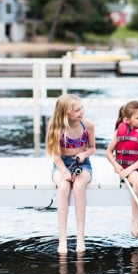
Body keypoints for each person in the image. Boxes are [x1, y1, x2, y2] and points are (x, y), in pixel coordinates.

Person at [46, 94, 95, 254]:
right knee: (63, 187)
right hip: (62, 164)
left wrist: (84, 154)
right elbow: (55, 155)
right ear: (66, 113)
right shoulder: (57, 129)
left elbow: (92, 148)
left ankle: (80, 237)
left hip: (83, 164)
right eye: (76, 110)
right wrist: (65, 171)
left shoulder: (88, 126)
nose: (81, 112)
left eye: (81, 108)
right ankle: (62, 239)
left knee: (79, 186)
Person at [105, 100, 138, 238]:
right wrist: (117, 166)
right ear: (127, 120)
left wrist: (129, 170)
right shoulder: (119, 131)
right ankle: (135, 219)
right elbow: (108, 152)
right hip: (127, 167)